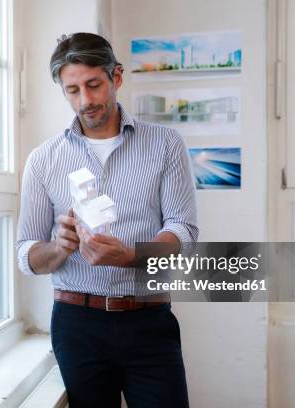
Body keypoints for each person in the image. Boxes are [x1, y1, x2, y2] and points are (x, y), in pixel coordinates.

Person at [15, 32, 198, 407]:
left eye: (93, 85)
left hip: (149, 321)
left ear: (116, 77)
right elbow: (27, 256)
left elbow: (185, 232)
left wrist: (131, 256)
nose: (85, 100)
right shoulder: (42, 160)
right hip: (76, 324)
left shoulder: (165, 144)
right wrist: (59, 247)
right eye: (72, 90)